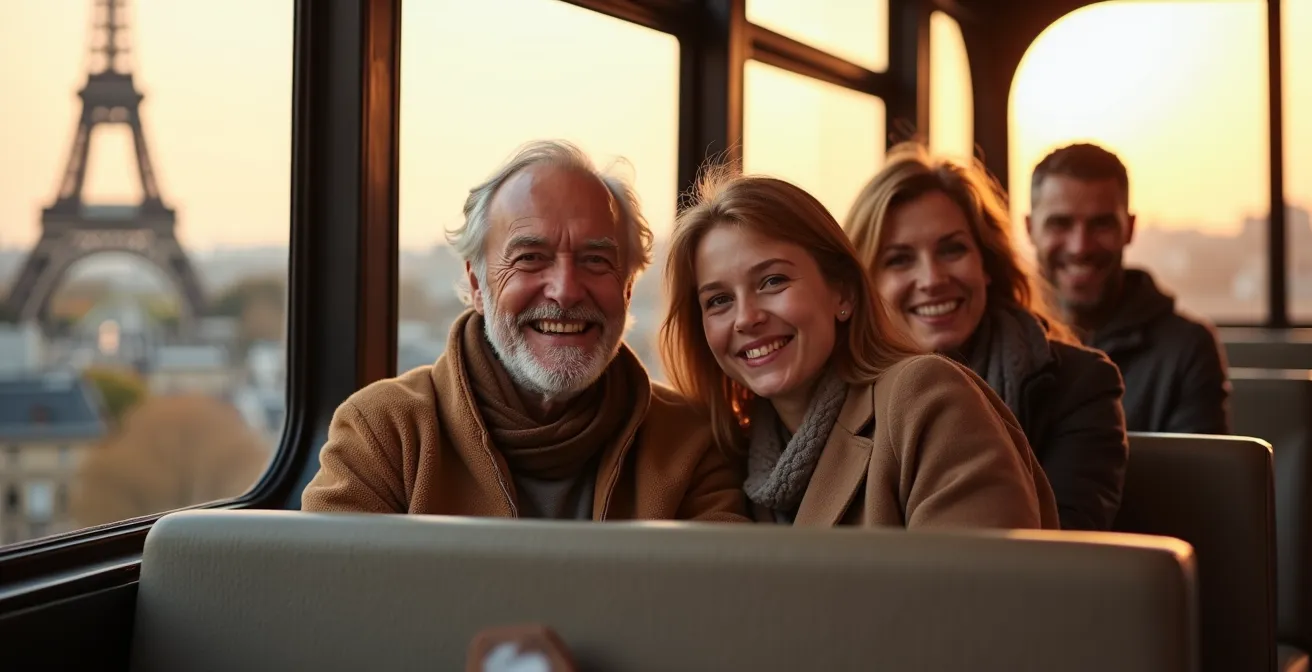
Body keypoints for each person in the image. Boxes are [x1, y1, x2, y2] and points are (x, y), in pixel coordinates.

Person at [302, 140, 748, 522]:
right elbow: (328, 589)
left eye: (595, 260)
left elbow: (721, 595)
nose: (566, 290)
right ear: (478, 284)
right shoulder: (383, 433)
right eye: (530, 258)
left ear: (628, 288)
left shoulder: (691, 443)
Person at [659, 166, 1059, 529]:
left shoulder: (925, 397)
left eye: (773, 281)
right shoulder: (727, 455)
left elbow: (977, 584)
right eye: (719, 300)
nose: (746, 318)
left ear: (843, 292)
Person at [844, 142, 1128, 531]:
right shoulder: (835, 395)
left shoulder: (1080, 385)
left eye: (952, 250)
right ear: (865, 285)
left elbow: (1061, 551)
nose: (932, 279)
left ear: (987, 264)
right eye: (900, 259)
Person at [1028, 143, 1231, 434]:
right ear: (1029, 228)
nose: (1080, 247)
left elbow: (1196, 465)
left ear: (1130, 228)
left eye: (1101, 225)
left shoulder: (1186, 349)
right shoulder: (999, 338)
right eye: (1060, 224)